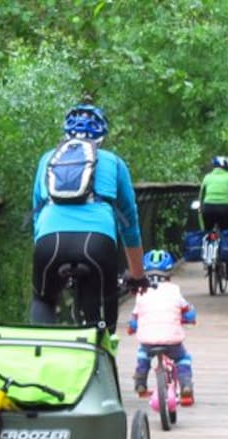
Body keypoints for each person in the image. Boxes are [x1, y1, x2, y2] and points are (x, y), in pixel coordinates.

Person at [30, 102, 148, 330]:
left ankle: (41, 345)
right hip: (97, 242)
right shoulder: (113, 162)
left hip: (49, 240)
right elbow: (130, 224)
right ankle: (102, 341)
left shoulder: (47, 159)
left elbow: (37, 214)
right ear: (102, 136)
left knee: (43, 298)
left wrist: (44, 251)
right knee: (104, 303)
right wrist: (137, 275)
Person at [127, 249, 197, 406]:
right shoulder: (174, 290)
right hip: (172, 341)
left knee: (143, 353)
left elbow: (134, 321)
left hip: (148, 341)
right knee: (182, 358)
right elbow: (189, 313)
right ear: (169, 273)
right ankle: (185, 386)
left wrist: (131, 328)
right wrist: (190, 318)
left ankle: (140, 382)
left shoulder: (141, 292)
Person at [198, 155, 228, 279]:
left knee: (208, 233)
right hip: (225, 209)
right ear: (226, 167)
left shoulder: (207, 177)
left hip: (208, 209)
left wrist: (201, 207)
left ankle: (207, 260)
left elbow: (201, 195)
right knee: (227, 234)